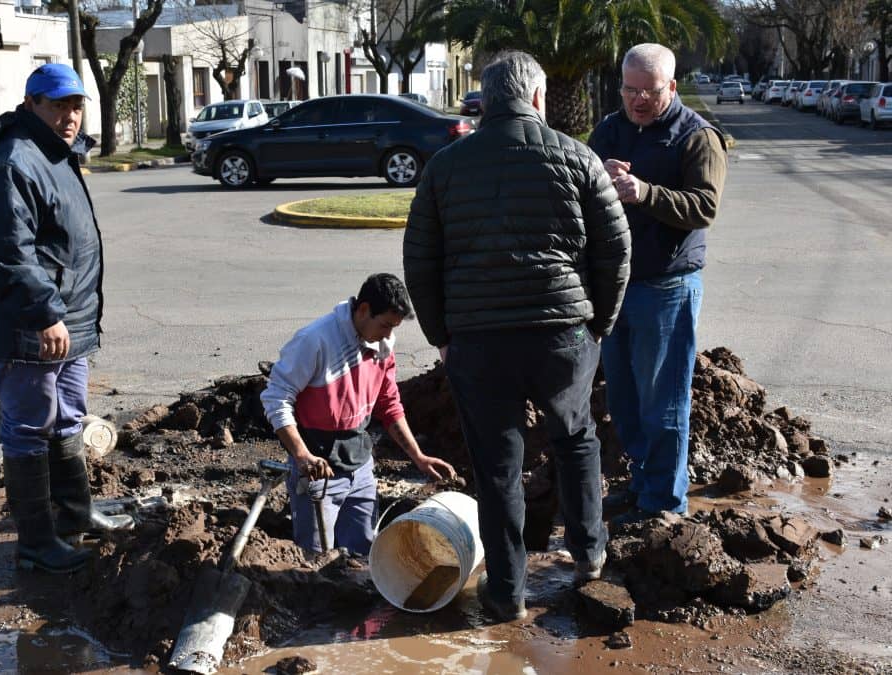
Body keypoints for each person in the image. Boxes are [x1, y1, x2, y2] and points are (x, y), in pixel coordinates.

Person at [403, 51, 631, 620]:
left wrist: (441, 335)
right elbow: (616, 249)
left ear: (486, 100)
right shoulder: (577, 158)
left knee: (496, 464)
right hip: (563, 335)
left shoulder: (445, 167)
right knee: (576, 439)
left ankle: (506, 593)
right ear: (536, 98)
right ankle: (588, 555)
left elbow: (419, 260)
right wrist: (596, 323)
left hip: (478, 341)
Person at [0, 63, 133, 575]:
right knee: (28, 427)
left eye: (76, 105)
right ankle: (37, 543)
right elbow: (6, 255)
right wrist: (42, 315)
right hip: (30, 326)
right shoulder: (12, 162)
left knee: (68, 419)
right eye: (58, 105)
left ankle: (74, 519)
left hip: (69, 323)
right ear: (32, 103)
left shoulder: (55, 154)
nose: (70, 115)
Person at [587, 43, 727, 522]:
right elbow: (580, 191)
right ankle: (642, 483)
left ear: (671, 86)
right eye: (629, 89)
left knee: (663, 402)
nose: (637, 100)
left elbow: (704, 208)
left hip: (668, 286)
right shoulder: (609, 129)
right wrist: (599, 179)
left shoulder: (697, 137)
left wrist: (644, 193)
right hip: (616, 286)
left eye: (648, 91)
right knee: (625, 400)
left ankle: (664, 504)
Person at [261, 273, 456, 556]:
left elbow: (389, 404)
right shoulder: (316, 340)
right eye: (385, 325)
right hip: (319, 469)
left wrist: (419, 457)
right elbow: (276, 397)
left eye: (394, 327)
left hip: (360, 464)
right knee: (315, 556)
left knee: (364, 553)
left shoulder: (382, 344)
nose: (389, 335)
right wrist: (302, 456)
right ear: (363, 309)